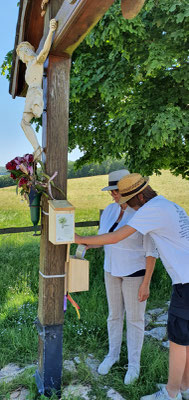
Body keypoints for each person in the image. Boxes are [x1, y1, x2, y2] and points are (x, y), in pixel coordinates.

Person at [75, 173, 189, 400]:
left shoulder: (149, 210)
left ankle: (170, 394)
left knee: (178, 342)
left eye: (125, 198)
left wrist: (77, 237)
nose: (122, 202)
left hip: (185, 283)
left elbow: (117, 237)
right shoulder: (168, 205)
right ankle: (184, 388)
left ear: (137, 196)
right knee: (186, 339)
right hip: (185, 280)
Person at [85, 170, 158, 385]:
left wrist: (146, 282)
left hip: (135, 273)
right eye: (111, 191)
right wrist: (85, 244)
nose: (113, 195)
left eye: (116, 191)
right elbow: (104, 239)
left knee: (135, 320)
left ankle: (134, 364)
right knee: (114, 316)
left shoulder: (141, 212)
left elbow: (151, 251)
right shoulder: (109, 210)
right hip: (111, 270)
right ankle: (112, 355)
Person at [16, 19, 57, 160]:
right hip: (31, 94)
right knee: (23, 122)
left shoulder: (35, 61)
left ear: (27, 50)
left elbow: (45, 51)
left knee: (24, 121)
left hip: (36, 92)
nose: (21, 57)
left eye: (21, 53)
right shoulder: (28, 67)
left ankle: (38, 150)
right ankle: (37, 149)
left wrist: (51, 31)